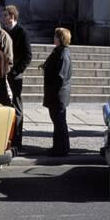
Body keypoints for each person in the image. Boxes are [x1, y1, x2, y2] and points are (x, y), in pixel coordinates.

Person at [2, 5, 32, 151]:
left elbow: (28, 56)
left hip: (15, 76)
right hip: (3, 74)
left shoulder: (22, 33)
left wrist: (16, 71)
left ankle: (17, 141)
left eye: (6, 15)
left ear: (12, 16)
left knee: (16, 107)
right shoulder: (3, 32)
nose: (3, 18)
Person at [40, 28, 73, 157]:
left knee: (59, 122)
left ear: (61, 38)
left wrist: (52, 89)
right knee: (57, 122)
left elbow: (61, 76)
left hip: (58, 94)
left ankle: (62, 149)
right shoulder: (58, 51)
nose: (54, 38)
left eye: (55, 36)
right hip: (55, 94)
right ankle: (58, 147)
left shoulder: (64, 53)